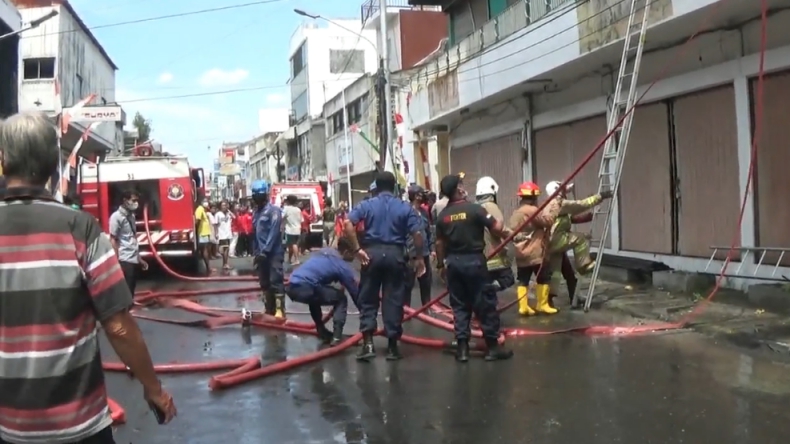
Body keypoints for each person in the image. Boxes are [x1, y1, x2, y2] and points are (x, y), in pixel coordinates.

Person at [0, 112, 176, 444]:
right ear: (54, 164)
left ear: (4, 162)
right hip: (80, 428)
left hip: (10, 427)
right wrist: (154, 390)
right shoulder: (80, 228)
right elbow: (119, 327)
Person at [344, 171, 423, 361]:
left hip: (371, 254)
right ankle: (392, 347)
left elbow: (348, 224)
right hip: (396, 254)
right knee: (394, 299)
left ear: (376, 187)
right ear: (394, 186)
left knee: (368, 298)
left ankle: (368, 344)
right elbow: (418, 234)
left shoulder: (367, 205)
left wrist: (357, 250)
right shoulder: (404, 207)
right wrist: (418, 258)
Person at [434, 174, 514, 363]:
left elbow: (438, 243)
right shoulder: (475, 210)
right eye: (461, 184)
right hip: (475, 262)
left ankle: (462, 349)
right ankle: (492, 348)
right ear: (459, 189)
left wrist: (440, 265)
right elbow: (496, 228)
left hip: (453, 263)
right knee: (484, 304)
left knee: (459, 306)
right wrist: (500, 223)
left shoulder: (442, 216)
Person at [544, 180, 613, 305]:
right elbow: (580, 205)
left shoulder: (551, 204)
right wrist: (600, 196)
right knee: (579, 238)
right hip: (556, 240)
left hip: (551, 243)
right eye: (563, 190)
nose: (566, 193)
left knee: (556, 273)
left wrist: (589, 217)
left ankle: (549, 299)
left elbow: (570, 218)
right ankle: (584, 265)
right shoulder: (559, 203)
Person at [286, 238, 360, 346]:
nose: (354, 257)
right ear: (345, 252)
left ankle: (321, 330)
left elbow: (319, 270)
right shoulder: (342, 266)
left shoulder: (324, 252)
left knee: (315, 297)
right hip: (307, 287)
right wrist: (367, 316)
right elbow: (355, 293)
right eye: (353, 254)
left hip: (292, 286)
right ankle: (337, 337)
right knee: (341, 299)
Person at [508, 181, 560, 316]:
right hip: (535, 252)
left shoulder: (516, 212)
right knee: (543, 277)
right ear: (533, 197)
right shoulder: (532, 210)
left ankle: (523, 307)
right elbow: (547, 222)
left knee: (523, 279)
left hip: (521, 252)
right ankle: (542, 304)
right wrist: (554, 210)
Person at [474, 176, 515, 298]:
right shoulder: (490, 206)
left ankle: (486, 303)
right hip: (494, 254)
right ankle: (487, 292)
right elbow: (498, 228)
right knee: (507, 278)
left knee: (487, 280)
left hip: (481, 254)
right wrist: (514, 235)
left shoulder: (475, 207)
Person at [251, 180, 286, 318]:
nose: (256, 198)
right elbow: (255, 234)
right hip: (261, 254)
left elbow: (274, 232)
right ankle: (268, 308)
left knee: (275, 280)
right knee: (264, 282)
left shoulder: (274, 211)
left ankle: (279, 309)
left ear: (265, 195)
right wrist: (256, 253)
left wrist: (266, 251)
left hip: (273, 253)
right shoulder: (256, 213)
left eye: (259, 195)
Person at [109, 189, 149, 294]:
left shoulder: (131, 216)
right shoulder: (116, 217)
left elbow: (132, 239)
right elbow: (113, 239)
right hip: (124, 259)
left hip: (133, 259)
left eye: (136, 200)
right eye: (133, 200)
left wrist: (139, 259)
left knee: (131, 288)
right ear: (125, 201)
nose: (135, 203)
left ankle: (128, 307)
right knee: (126, 291)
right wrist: (116, 261)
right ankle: (125, 309)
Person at [404, 184, 434, 307]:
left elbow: (428, 232)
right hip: (410, 256)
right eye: (422, 193)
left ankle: (426, 308)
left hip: (425, 254)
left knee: (426, 284)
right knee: (407, 285)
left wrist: (432, 249)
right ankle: (406, 311)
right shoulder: (405, 212)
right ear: (416, 196)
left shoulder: (424, 213)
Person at [194, 199, 214, 275]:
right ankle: (208, 268)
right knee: (205, 250)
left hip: (204, 232)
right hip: (202, 233)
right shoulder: (199, 209)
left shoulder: (203, 209)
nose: (207, 203)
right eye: (205, 201)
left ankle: (207, 267)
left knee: (204, 250)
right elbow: (197, 221)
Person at [282, 195, 303, 265]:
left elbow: (281, 216)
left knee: (293, 244)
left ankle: (296, 259)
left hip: (290, 230)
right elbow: (302, 220)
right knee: (291, 245)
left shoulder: (286, 209)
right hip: (298, 229)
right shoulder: (298, 209)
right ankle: (289, 259)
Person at [215, 200, 235, 270]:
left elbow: (234, 217)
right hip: (221, 234)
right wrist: (216, 233)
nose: (224, 207)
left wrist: (229, 210)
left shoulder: (228, 214)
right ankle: (225, 264)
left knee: (226, 249)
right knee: (225, 249)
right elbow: (216, 225)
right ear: (220, 206)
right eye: (222, 205)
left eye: (225, 205)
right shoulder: (218, 214)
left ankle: (225, 264)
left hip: (228, 234)